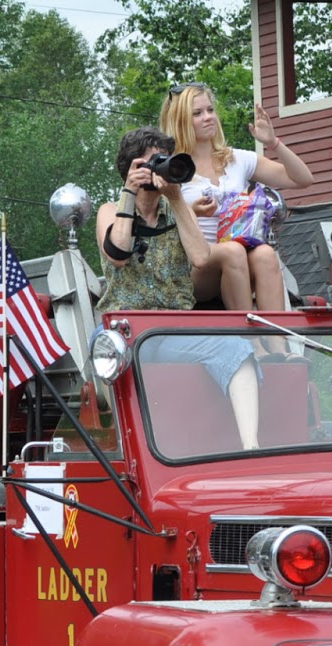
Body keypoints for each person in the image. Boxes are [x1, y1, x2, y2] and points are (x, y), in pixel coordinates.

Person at [95, 127, 260, 449]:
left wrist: (175, 198)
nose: (159, 168)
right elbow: (117, 254)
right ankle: (126, 448)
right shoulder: (109, 210)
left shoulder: (177, 208)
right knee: (106, 355)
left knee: (237, 349)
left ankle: (251, 446)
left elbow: (200, 257)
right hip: (124, 331)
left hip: (170, 327)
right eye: (151, 162)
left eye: (164, 160)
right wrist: (130, 193)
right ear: (130, 168)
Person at [159, 83, 313, 312]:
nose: (208, 117)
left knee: (265, 253)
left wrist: (273, 143)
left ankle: (277, 344)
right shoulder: (171, 167)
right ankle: (246, 340)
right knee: (233, 250)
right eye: (198, 113)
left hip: (241, 256)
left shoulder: (236, 159)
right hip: (195, 265)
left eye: (210, 110)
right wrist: (192, 208)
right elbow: (157, 217)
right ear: (180, 120)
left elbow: (302, 179)